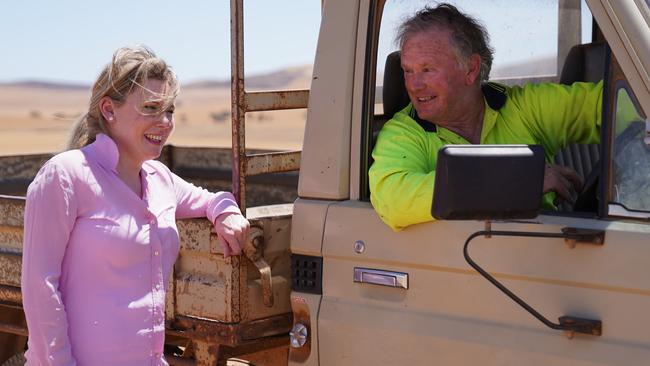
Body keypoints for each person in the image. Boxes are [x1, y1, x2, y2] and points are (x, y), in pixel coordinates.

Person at [21, 46, 249, 365]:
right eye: (151, 108)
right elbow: (39, 285)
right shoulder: (66, 175)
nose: (165, 122)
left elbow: (210, 199)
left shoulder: (160, 179)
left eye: (169, 110)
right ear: (109, 110)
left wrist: (226, 212)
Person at [369, 3, 603, 231]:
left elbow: (612, 104)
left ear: (471, 69)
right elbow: (394, 201)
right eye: (408, 70)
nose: (414, 85)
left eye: (427, 69)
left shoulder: (523, 107)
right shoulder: (402, 133)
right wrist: (518, 179)